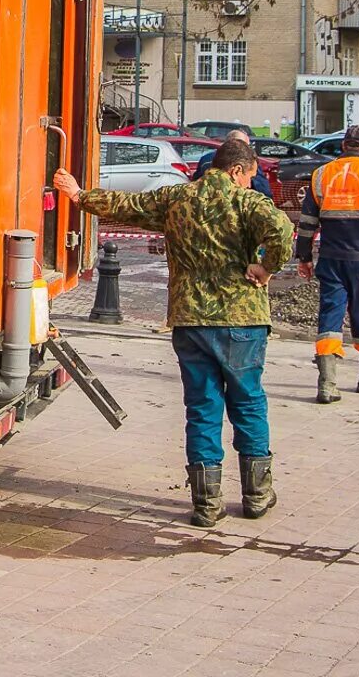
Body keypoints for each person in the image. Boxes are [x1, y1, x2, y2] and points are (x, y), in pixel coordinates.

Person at [53, 138, 293, 528]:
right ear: (237, 171)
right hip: (241, 322)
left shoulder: (176, 198)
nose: (251, 183)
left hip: (190, 321)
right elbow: (282, 232)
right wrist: (265, 268)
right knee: (248, 403)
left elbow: (124, 206)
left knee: (202, 407)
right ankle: (257, 495)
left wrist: (79, 195)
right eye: (250, 176)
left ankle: (206, 504)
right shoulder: (248, 203)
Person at [294, 124, 359, 404]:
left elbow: (307, 223)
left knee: (330, 314)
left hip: (331, 259)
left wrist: (304, 256)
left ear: (343, 146)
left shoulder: (321, 175)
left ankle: (327, 383)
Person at [192, 129, 275, 199]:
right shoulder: (248, 162)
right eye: (247, 146)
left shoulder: (205, 159)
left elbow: (196, 182)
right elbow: (264, 191)